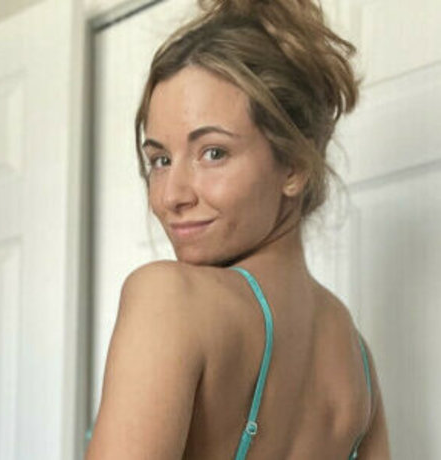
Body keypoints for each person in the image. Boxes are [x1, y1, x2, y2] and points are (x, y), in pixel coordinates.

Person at [85, 0, 391, 458]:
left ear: (294, 164)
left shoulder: (169, 300)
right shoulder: (357, 362)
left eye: (213, 153)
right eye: (160, 160)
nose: (171, 195)